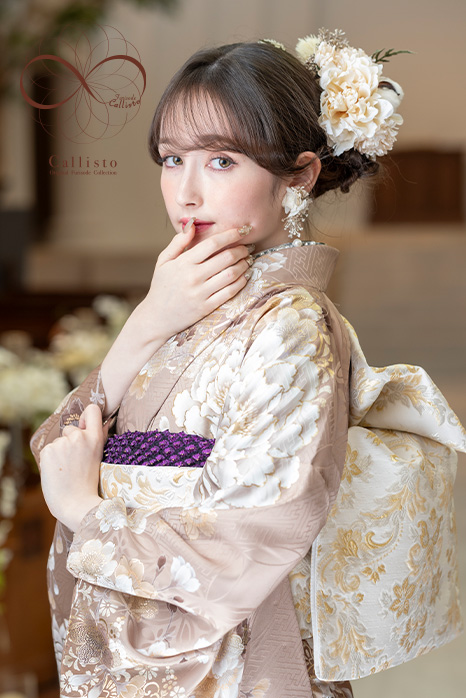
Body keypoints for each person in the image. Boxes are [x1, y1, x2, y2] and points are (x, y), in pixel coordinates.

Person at [30, 29, 466, 698]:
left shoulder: (293, 326)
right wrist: (147, 322)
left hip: (227, 658)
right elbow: (60, 447)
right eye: (172, 159)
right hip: (139, 633)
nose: (187, 191)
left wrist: (86, 512)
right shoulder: (182, 301)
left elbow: (253, 533)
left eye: (222, 161)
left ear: (300, 175)